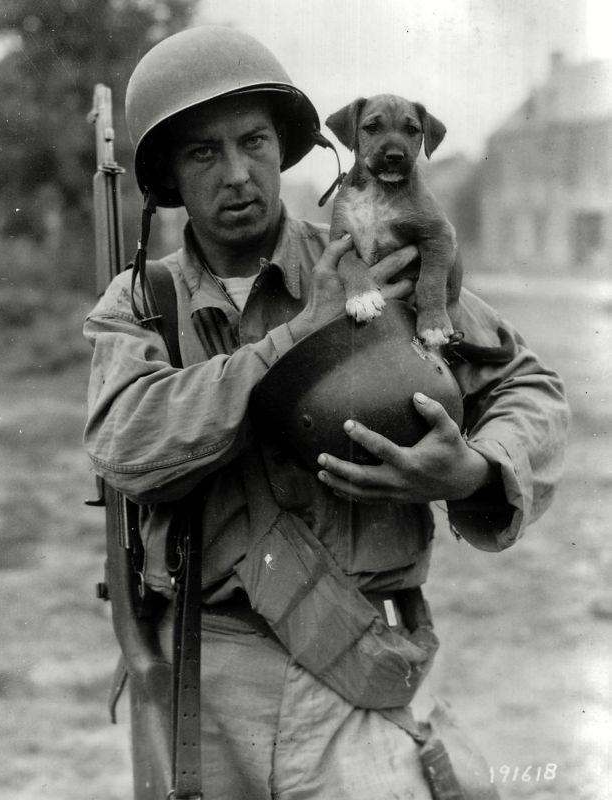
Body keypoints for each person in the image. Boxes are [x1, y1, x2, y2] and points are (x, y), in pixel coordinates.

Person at [84, 25, 569, 800]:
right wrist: (294, 340)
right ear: (170, 176)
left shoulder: (372, 256)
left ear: (287, 150)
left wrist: (473, 468)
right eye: (203, 153)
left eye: (254, 143)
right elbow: (124, 442)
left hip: (360, 666)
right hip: (205, 680)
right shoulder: (142, 303)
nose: (237, 174)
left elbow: (530, 388)